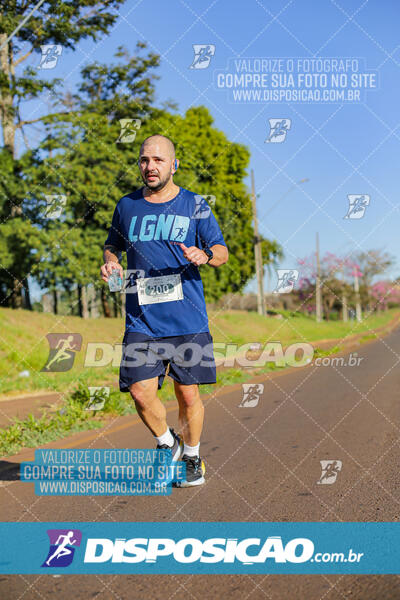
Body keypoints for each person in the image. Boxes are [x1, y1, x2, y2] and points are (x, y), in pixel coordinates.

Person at [101, 134, 228, 487]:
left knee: (187, 393)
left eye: (157, 160)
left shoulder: (195, 205)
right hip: (141, 317)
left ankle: (191, 457)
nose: (149, 167)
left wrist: (206, 255)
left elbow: (221, 250)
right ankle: (167, 442)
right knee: (140, 391)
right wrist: (110, 263)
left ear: (174, 164)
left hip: (186, 315)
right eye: (144, 160)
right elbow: (111, 246)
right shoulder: (126, 206)